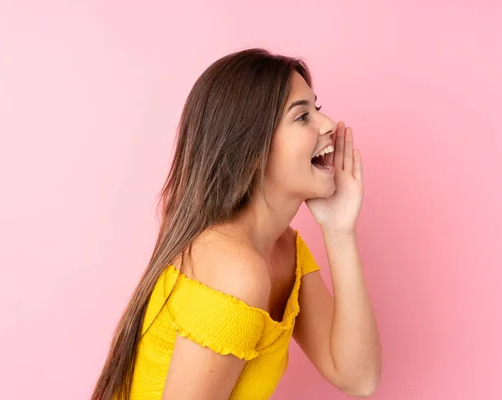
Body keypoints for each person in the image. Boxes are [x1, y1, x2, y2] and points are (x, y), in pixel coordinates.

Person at [91, 48, 381, 400]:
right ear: (252, 146)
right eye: (302, 117)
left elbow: (358, 377)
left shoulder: (284, 249)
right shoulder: (235, 270)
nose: (328, 125)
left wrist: (339, 231)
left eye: (316, 109)